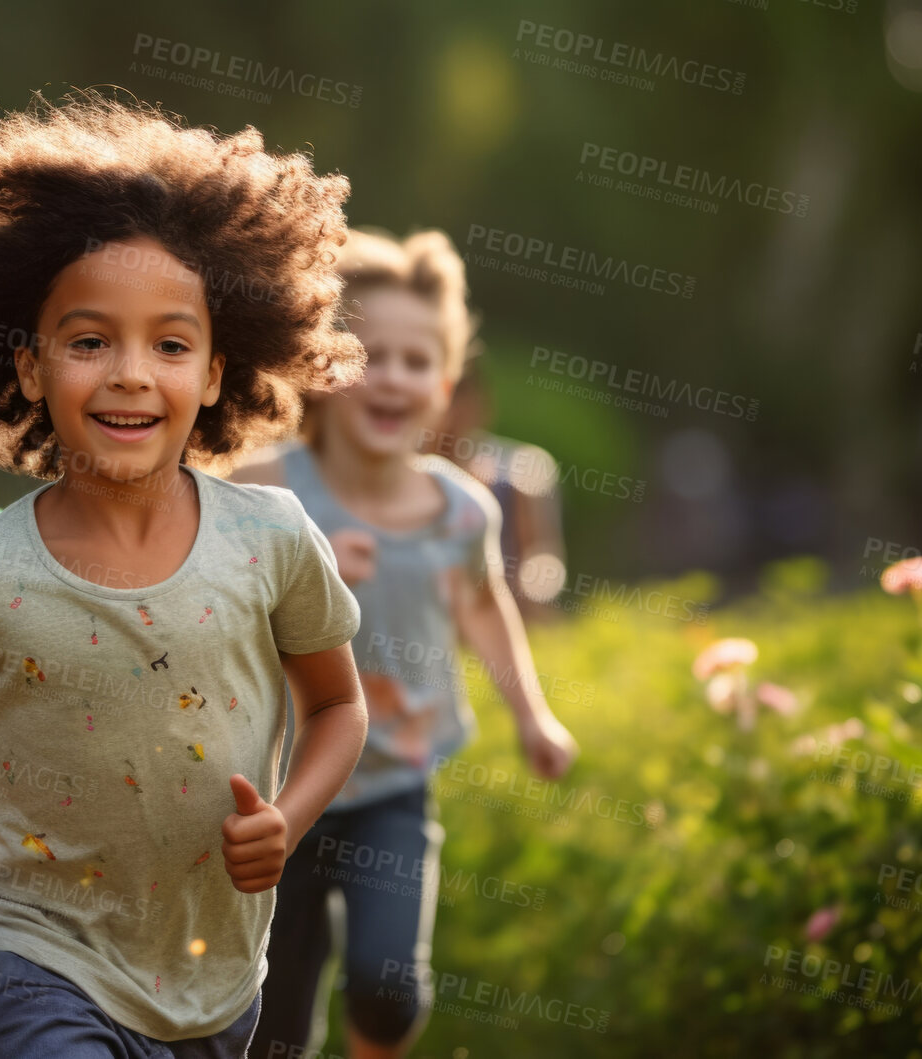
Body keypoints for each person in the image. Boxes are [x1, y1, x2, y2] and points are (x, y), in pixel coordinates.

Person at [0, 91, 371, 1058]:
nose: (131, 373)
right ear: (28, 366)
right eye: (90, 341)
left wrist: (288, 819)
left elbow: (338, 708)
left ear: (219, 372)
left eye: (170, 345)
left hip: (207, 967)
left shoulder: (270, 539)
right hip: (21, 937)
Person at [230, 228, 579, 1059]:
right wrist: (302, 567)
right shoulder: (266, 489)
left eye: (416, 361)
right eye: (366, 354)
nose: (391, 376)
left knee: (388, 988)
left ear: (445, 386)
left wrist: (532, 715)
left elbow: (486, 608)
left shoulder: (460, 509)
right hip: (279, 786)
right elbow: (207, 602)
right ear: (320, 368)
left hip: (394, 780)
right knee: (273, 1018)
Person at [430, 370, 568, 618]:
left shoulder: (522, 469)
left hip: (508, 611)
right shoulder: (409, 475)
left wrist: (534, 588)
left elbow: (542, 553)